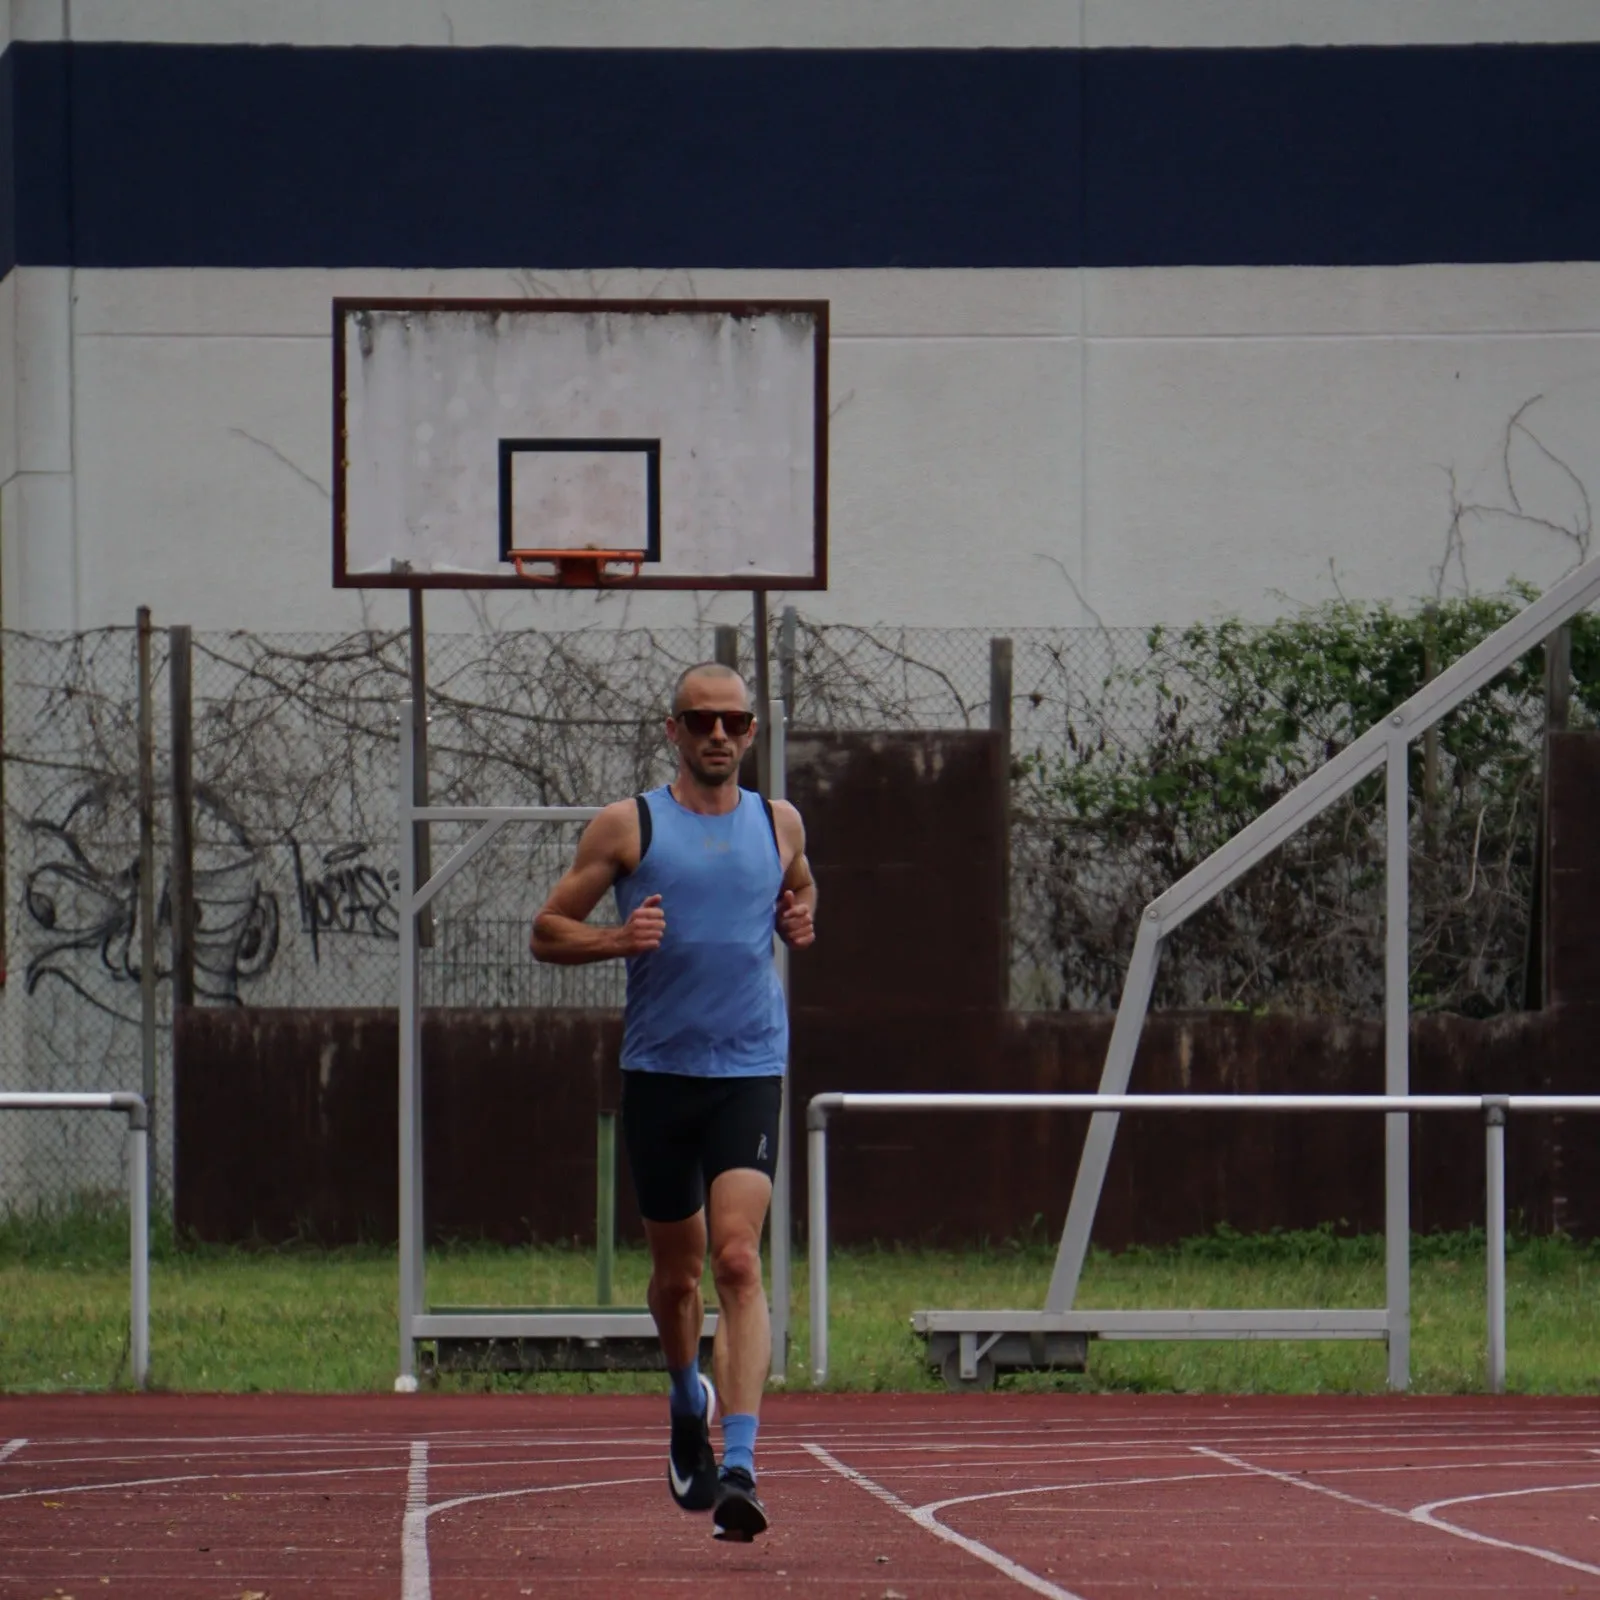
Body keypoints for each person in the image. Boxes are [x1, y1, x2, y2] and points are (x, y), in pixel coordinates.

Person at [530, 662, 816, 1542]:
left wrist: (802, 914)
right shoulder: (630, 824)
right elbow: (546, 931)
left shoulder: (780, 821)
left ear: (752, 732)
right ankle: (684, 1391)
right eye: (702, 721)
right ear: (674, 730)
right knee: (677, 1277)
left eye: (734, 722)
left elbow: (799, 884)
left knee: (737, 1261)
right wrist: (619, 936)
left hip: (748, 1071)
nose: (718, 736)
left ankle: (739, 1463)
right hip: (660, 1076)